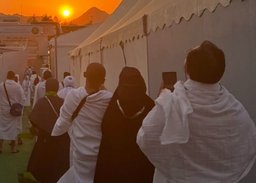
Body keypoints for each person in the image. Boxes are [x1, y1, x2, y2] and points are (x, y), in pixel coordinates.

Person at [137, 40, 256, 183]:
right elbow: (249, 145)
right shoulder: (234, 107)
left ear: (187, 70)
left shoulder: (172, 103)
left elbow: (145, 138)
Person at [52, 63, 112, 183]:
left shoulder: (74, 95)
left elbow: (63, 121)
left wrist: (54, 133)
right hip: (100, 151)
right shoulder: (109, 98)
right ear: (103, 80)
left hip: (80, 149)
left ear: (85, 76)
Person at [94, 67, 154, 183]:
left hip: (114, 169)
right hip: (142, 168)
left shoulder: (112, 107)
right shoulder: (150, 105)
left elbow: (105, 131)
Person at [27, 78, 70, 183]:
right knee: (58, 170)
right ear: (57, 88)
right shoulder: (63, 102)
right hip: (61, 144)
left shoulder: (41, 102)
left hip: (44, 142)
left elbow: (33, 122)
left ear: (46, 88)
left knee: (42, 170)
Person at [0, 70, 25, 154]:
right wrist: (20, 108)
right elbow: (22, 98)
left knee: (2, 127)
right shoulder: (17, 86)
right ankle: (13, 149)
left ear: (7, 76)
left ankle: (0, 147)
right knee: (14, 128)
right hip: (14, 111)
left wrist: (3, 106)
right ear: (13, 77)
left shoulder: (2, 85)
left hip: (4, 110)